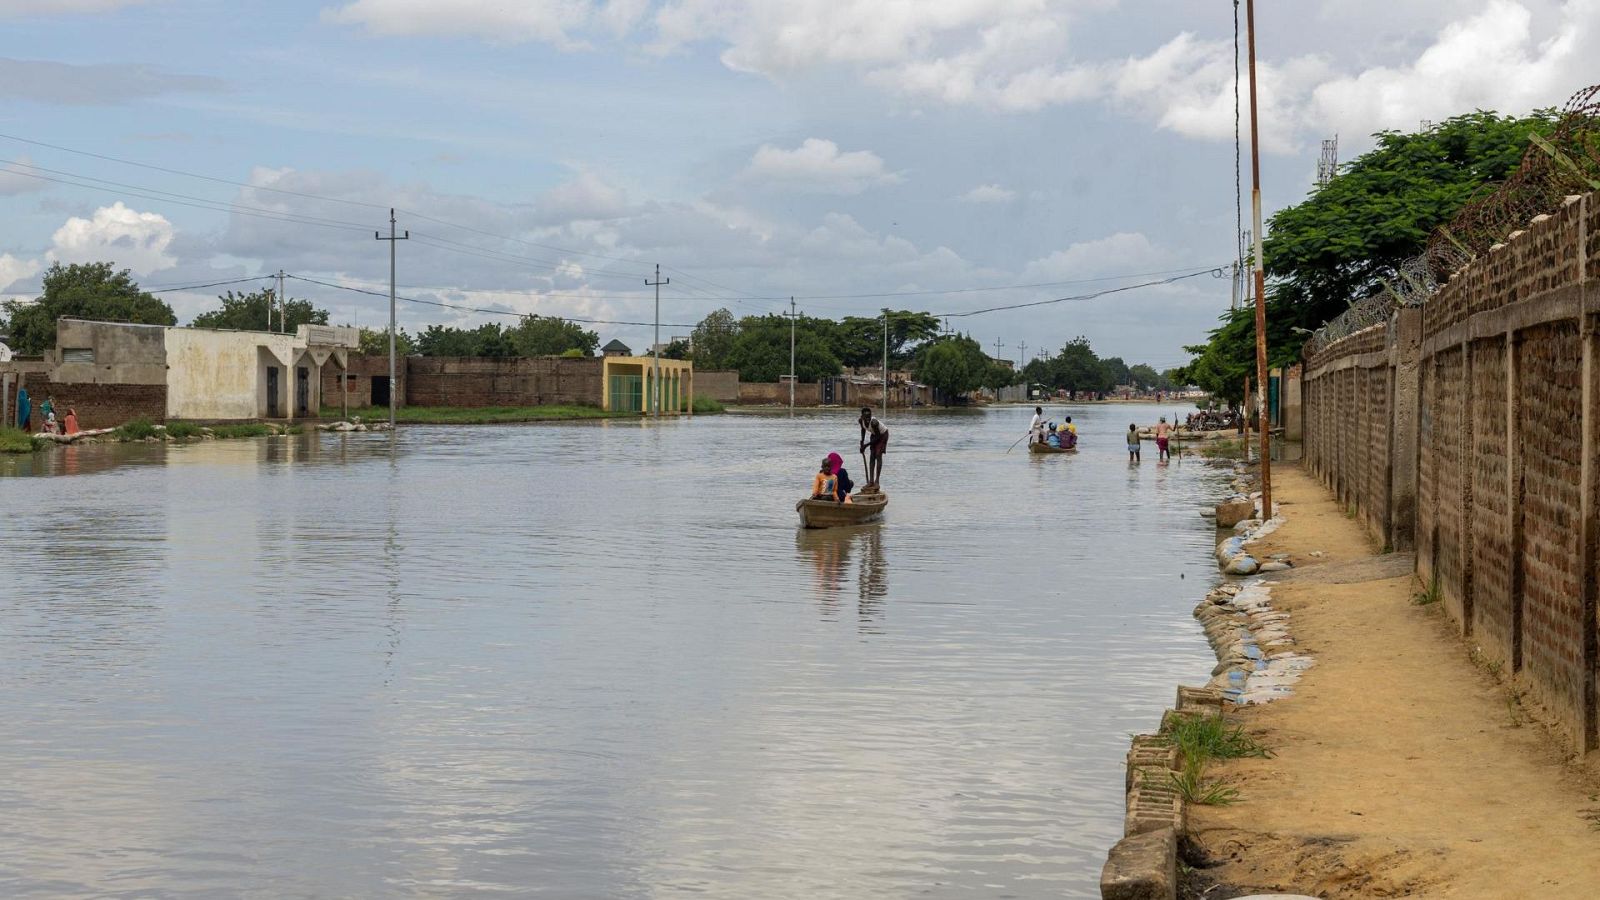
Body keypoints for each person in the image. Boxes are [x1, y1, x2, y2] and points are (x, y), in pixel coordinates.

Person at [858, 407, 888, 488]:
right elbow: (863, 430)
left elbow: (878, 437)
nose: (867, 418)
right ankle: (871, 482)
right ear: (862, 416)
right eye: (865, 417)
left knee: (878, 455)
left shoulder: (874, 422)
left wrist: (866, 445)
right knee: (872, 457)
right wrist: (862, 442)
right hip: (874, 435)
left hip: (882, 435)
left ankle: (876, 481)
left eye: (869, 416)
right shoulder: (861, 421)